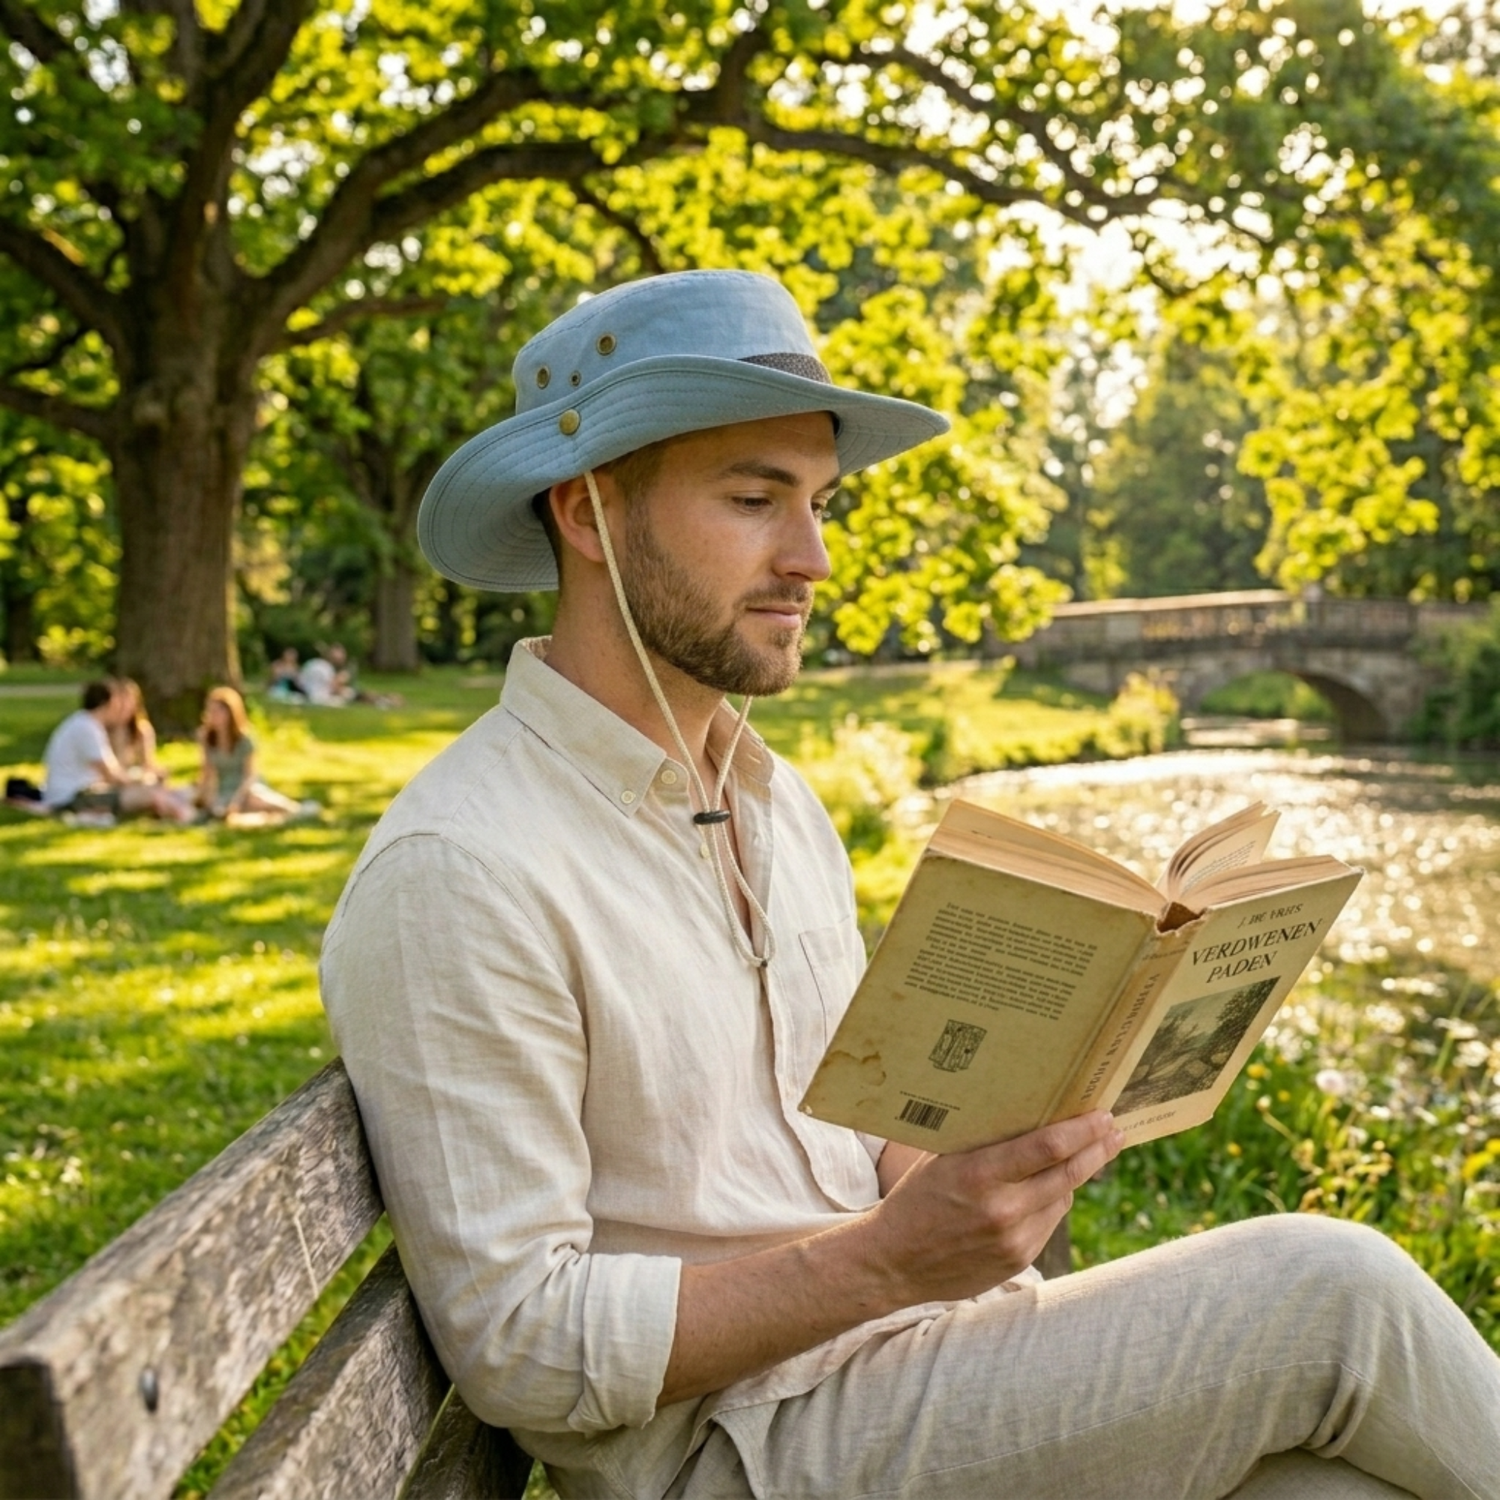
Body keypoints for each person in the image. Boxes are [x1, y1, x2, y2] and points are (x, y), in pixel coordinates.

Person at [320, 271, 1500, 1500]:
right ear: (590, 512)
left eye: (820, 503)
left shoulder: (770, 800)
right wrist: (888, 1261)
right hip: (748, 1448)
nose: (813, 558)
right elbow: (521, 1348)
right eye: (754, 500)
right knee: (1334, 1296)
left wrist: (992, 1159)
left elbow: (856, 1128)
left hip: (913, 1367)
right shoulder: (462, 869)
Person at [41, 679, 196, 824]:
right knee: (149, 794)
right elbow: (111, 775)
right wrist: (140, 782)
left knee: (148, 792)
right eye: (116, 703)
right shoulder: (87, 728)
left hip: (79, 793)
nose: (118, 708)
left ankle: (182, 813)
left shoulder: (84, 723)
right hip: (72, 799)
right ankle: (189, 817)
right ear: (106, 704)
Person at [196, 686, 317, 823]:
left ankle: (295, 810)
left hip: (246, 788)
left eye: (218, 711)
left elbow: (250, 775)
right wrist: (204, 796)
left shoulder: (244, 739)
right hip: (224, 790)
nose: (213, 715)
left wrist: (237, 800)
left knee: (254, 800)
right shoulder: (207, 739)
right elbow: (207, 772)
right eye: (211, 711)